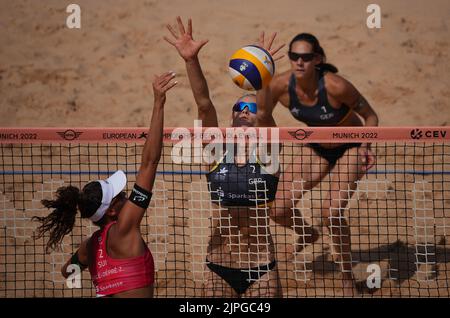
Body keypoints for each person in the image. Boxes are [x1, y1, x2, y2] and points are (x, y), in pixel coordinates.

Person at [164, 16, 284, 297]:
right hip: (219, 265)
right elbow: (204, 104)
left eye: (249, 108)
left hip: (261, 267)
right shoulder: (216, 150)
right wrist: (191, 61)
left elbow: (266, 113)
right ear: (231, 119)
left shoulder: (269, 154)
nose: (244, 110)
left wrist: (262, 66)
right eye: (238, 106)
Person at [32, 72, 177, 297]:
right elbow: (150, 162)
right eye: (120, 197)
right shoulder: (125, 228)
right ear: (111, 210)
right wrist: (158, 102)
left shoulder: (89, 247)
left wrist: (100, 273)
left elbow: (66, 272)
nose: (127, 197)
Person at [259, 32, 379, 296]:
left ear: (317, 59)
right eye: (294, 56)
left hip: (350, 146)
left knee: (331, 213)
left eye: (306, 57)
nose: (299, 62)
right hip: (317, 146)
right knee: (277, 208)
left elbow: (370, 116)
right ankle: (307, 233)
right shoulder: (280, 86)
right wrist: (260, 75)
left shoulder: (336, 86)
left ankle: (347, 279)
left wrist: (366, 145)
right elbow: (262, 115)